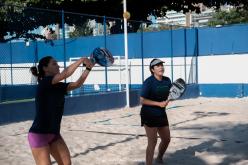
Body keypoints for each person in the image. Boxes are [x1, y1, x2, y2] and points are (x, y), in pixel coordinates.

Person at [28, 56, 94, 165]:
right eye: (54, 64)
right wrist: (82, 60)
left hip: (54, 134)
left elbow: (77, 84)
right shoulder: (45, 83)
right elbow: (66, 73)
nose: (58, 65)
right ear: (45, 68)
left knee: (66, 163)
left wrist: (88, 68)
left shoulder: (58, 86)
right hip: (39, 135)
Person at [140, 58, 172, 165]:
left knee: (166, 139)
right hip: (148, 114)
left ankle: (159, 158)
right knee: (152, 142)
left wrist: (169, 99)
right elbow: (142, 100)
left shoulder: (167, 80)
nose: (161, 67)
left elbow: (170, 94)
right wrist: (159, 104)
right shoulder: (148, 82)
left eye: (161, 65)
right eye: (157, 66)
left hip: (161, 114)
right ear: (152, 69)